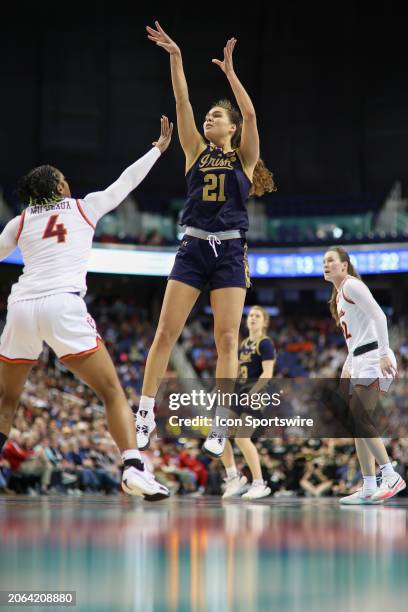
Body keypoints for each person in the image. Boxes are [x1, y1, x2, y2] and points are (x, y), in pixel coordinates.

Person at [0, 117, 173, 501]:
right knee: (111, 392)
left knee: (6, 400)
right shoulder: (83, 208)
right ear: (60, 186)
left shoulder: (21, 220)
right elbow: (125, 182)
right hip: (63, 305)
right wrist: (157, 150)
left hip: (22, 308)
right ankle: (133, 468)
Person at [136, 22, 275, 453]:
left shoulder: (246, 160)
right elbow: (182, 100)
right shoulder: (195, 150)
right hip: (193, 246)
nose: (209, 117)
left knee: (228, 339)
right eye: (209, 115)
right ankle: (142, 411)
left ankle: (221, 421)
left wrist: (231, 75)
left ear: (231, 129)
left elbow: (251, 114)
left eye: (217, 116)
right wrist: (176, 57)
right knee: (165, 333)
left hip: (231, 248)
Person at [323, 246, 406, 504]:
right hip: (360, 358)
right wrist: (348, 365)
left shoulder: (351, 285)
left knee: (360, 416)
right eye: (323, 261)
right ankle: (369, 485)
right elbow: (356, 337)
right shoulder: (338, 295)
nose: (325, 265)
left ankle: (391, 474)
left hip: (373, 356)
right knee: (356, 422)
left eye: (331, 260)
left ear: (344, 265)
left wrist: (383, 353)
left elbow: (379, 316)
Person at [211, 306, 276, 499]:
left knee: (241, 437)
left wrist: (253, 392)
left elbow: (268, 373)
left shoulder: (265, 343)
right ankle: (234, 477)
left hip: (257, 394)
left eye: (257, 316)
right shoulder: (245, 344)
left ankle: (259, 483)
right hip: (240, 392)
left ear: (264, 322)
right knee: (218, 431)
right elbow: (237, 371)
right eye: (250, 316)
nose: (252, 318)